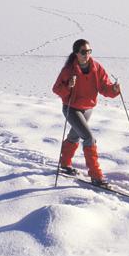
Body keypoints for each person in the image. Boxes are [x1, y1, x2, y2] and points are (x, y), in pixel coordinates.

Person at [52, 39, 120, 187]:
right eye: (83, 52)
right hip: (72, 108)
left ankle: (64, 163)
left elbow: (104, 87)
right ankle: (96, 176)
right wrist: (69, 86)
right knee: (89, 138)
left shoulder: (96, 67)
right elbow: (57, 89)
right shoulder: (69, 70)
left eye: (89, 51)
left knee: (75, 135)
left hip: (88, 108)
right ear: (76, 53)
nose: (86, 54)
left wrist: (114, 90)